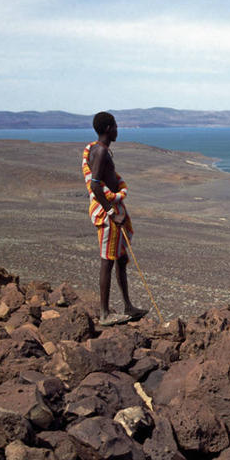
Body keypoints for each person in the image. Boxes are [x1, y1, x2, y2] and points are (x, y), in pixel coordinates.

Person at [82, 112, 147, 325]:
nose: (118, 130)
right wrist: (111, 212)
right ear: (109, 128)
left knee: (119, 259)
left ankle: (128, 306)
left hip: (113, 210)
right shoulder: (100, 152)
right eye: (116, 126)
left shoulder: (97, 149)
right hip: (108, 214)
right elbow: (95, 185)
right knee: (107, 261)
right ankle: (104, 313)